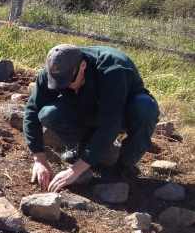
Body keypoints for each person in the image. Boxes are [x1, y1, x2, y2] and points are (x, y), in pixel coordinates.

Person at [24, 44, 159, 193]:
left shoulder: (113, 69)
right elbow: (32, 110)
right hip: (87, 106)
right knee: (49, 114)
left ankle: (123, 166)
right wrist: (39, 159)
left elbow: (111, 123)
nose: (66, 86)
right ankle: (82, 149)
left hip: (123, 110)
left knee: (145, 108)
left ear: (82, 66)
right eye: (59, 83)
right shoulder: (55, 70)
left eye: (68, 81)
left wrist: (75, 170)